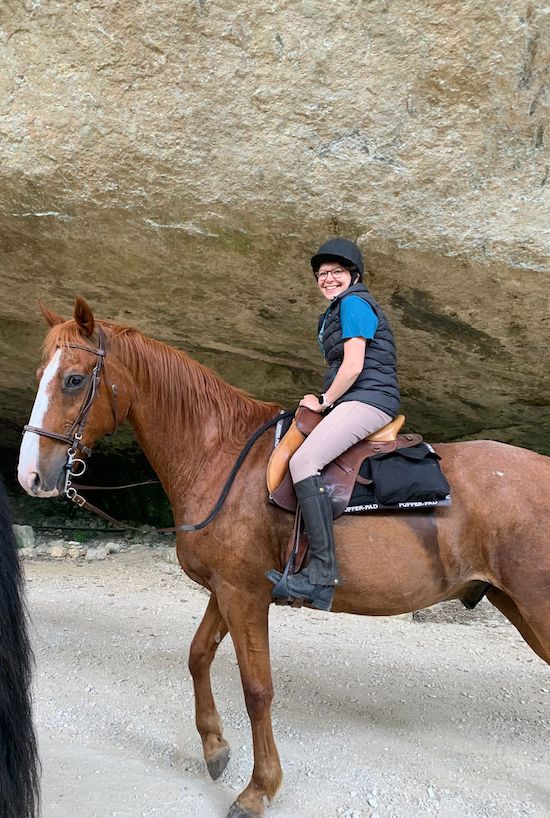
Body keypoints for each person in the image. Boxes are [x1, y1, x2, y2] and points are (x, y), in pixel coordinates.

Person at [266, 238, 400, 611]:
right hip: (357, 398)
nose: (328, 279)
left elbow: (354, 365)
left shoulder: (354, 302)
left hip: (368, 399)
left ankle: (322, 574)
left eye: (336, 272)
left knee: (303, 462)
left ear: (352, 275)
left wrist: (325, 401)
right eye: (322, 274)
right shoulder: (336, 310)